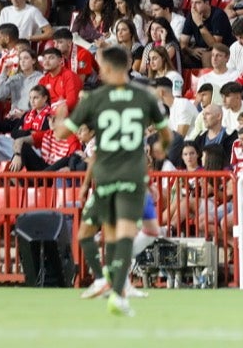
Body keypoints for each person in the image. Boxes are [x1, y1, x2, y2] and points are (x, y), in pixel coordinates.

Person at [57, 46, 172, 316]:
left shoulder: (94, 99)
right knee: (124, 233)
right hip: (132, 173)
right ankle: (117, 293)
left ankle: (110, 285)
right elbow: (165, 135)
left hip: (106, 175)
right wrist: (159, 149)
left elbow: (63, 134)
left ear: (107, 69)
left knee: (108, 233)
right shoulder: (145, 97)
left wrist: (60, 117)